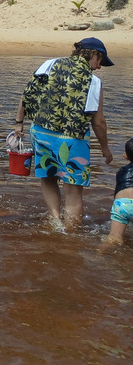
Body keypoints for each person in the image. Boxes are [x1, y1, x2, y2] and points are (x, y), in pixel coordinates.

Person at [15, 37, 114, 228]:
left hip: (41, 132)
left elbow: (27, 94)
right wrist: (105, 148)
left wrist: (19, 123)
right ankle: (71, 233)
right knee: (73, 190)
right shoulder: (93, 81)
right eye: (100, 60)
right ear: (93, 54)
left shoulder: (48, 64)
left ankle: (55, 221)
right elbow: (98, 121)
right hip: (72, 140)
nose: (99, 67)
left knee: (49, 178)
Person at [104, 138, 133, 246]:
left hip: (122, 205)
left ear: (125, 156)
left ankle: (99, 254)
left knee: (113, 237)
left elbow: (118, 192)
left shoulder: (121, 171)